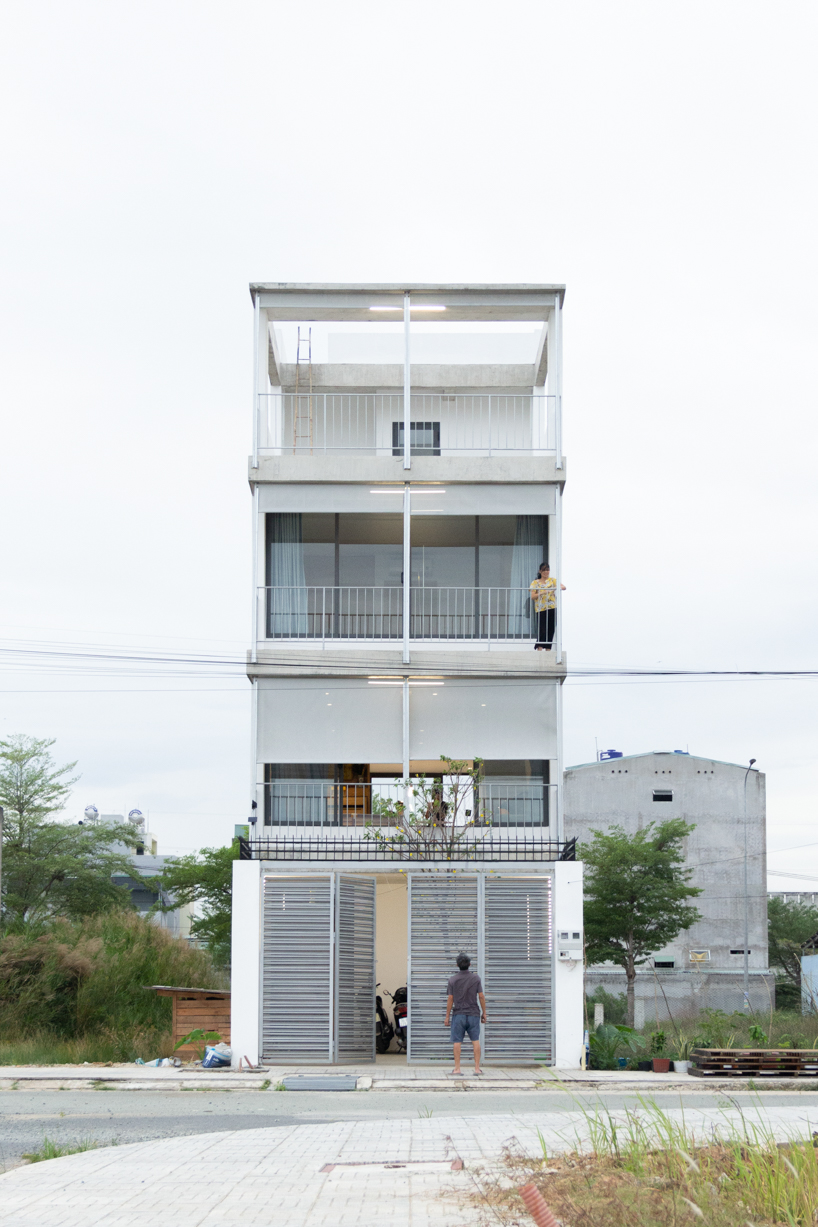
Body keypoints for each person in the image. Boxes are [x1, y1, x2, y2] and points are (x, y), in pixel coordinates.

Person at [444, 953, 486, 1076]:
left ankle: (457, 1069)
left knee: (457, 1041)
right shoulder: (476, 978)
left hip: (459, 1015)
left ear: (457, 965)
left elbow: (450, 999)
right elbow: (481, 996)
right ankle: (477, 1069)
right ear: (469, 964)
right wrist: (484, 1013)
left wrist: (447, 1016)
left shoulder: (453, 980)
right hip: (473, 1014)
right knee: (475, 1041)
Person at [529, 562, 566, 650]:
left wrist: (554, 588)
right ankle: (539, 649)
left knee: (551, 629)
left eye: (547, 570)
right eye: (544, 570)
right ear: (540, 571)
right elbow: (533, 596)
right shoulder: (535, 583)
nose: (546, 572)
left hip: (552, 607)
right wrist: (542, 592)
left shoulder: (552, 580)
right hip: (541, 608)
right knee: (542, 629)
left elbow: (564, 587)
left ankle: (548, 649)